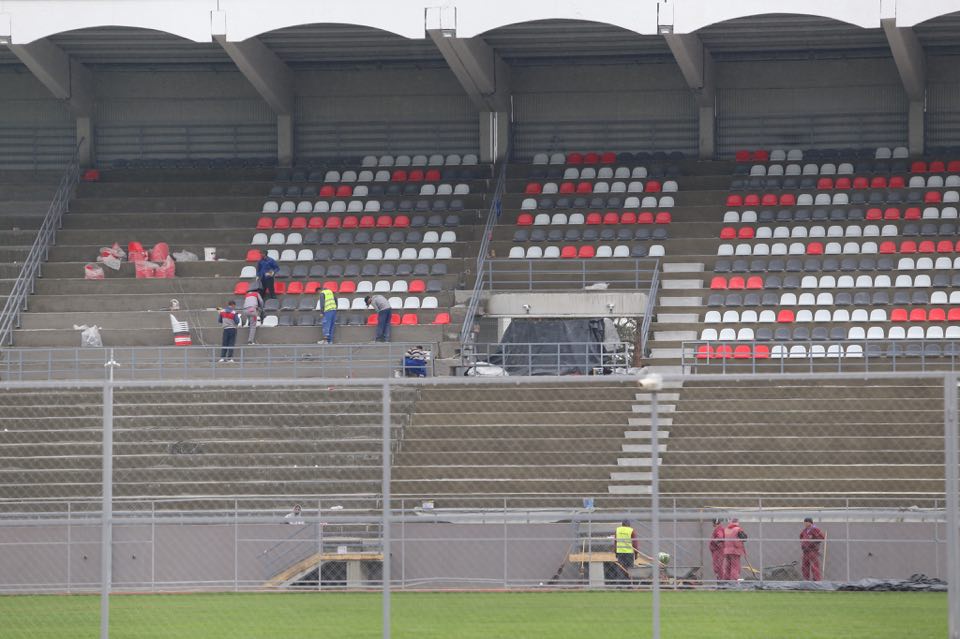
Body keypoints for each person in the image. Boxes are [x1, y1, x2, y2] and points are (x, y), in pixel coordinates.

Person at [709, 518, 725, 582]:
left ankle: (721, 581)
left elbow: (720, 538)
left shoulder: (719, 529)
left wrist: (714, 542)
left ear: (715, 523)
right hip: (717, 551)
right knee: (717, 567)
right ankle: (720, 581)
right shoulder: (718, 529)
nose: (712, 524)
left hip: (718, 551)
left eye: (712, 522)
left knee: (718, 567)